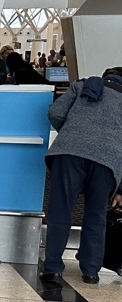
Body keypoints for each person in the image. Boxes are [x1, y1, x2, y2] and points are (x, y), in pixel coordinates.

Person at [41, 66, 122, 285]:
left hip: (69, 154)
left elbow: (55, 112)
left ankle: (53, 268)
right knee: (96, 216)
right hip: (107, 160)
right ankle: (90, 271)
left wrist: (71, 133)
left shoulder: (82, 86)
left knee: (60, 211)